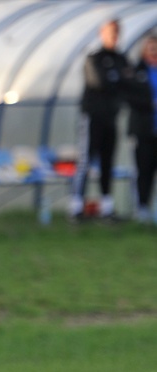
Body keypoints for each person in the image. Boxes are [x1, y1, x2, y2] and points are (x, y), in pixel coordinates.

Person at [69, 19, 132, 222]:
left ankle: (107, 208)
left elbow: (129, 83)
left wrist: (118, 79)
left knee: (108, 162)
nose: (113, 37)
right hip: (92, 117)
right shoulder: (94, 58)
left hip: (111, 117)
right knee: (86, 159)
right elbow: (99, 81)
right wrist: (118, 79)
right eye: (110, 32)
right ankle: (76, 207)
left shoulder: (121, 58)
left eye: (116, 33)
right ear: (102, 34)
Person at [127, 33, 157, 223]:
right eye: (151, 47)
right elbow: (130, 97)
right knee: (144, 169)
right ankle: (142, 208)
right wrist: (152, 104)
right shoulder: (136, 71)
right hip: (144, 130)